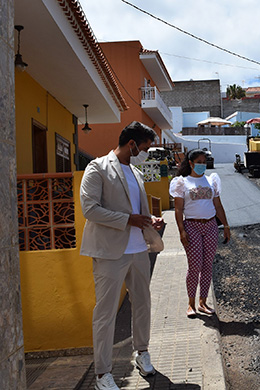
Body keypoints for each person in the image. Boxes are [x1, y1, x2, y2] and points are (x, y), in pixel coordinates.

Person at [80, 121, 164, 390]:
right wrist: (128, 220)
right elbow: (90, 210)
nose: (146, 152)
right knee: (105, 314)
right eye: (144, 147)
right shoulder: (97, 168)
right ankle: (103, 373)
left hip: (139, 250)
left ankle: (142, 352)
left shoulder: (135, 172)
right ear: (131, 144)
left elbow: (137, 213)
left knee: (143, 305)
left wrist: (151, 220)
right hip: (110, 253)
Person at [169, 149, 231, 317]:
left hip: (210, 226)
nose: (202, 165)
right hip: (192, 227)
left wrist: (225, 225)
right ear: (190, 163)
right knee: (194, 266)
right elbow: (178, 209)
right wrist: (181, 231)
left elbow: (218, 206)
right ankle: (191, 303)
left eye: (204, 162)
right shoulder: (181, 183)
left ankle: (203, 302)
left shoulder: (211, 181)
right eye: (199, 162)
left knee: (207, 266)